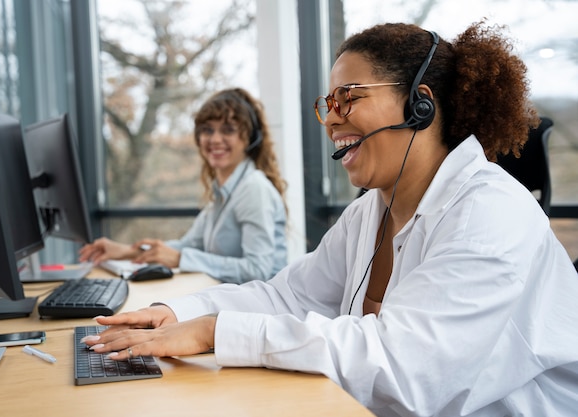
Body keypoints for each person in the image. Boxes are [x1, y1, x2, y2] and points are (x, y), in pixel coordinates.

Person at [81, 22, 578, 416]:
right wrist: (179, 312)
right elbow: (289, 296)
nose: (333, 118)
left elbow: (406, 374)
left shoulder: (488, 213)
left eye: (351, 97)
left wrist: (217, 331)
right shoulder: (371, 210)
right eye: (328, 103)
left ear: (420, 104)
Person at [79, 88, 288, 284]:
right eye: (207, 130)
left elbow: (257, 270)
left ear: (250, 138)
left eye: (228, 130)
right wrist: (127, 251)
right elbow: (186, 246)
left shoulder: (253, 189)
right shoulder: (223, 192)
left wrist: (180, 259)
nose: (215, 139)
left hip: (258, 311)